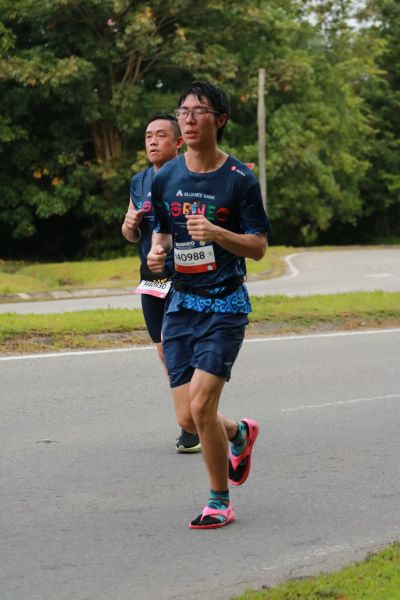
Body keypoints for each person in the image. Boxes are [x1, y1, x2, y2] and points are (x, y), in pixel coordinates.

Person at [147, 82, 270, 529]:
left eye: (199, 111)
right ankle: (239, 431)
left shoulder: (239, 179)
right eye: (183, 112)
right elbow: (163, 233)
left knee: (201, 407)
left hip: (225, 303)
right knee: (189, 416)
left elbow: (258, 246)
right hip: (181, 303)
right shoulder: (166, 177)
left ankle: (220, 500)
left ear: (220, 120)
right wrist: (157, 253)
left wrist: (218, 233)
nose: (189, 119)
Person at [122, 113, 201, 454]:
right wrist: (130, 223)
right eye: (148, 136)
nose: (152, 141)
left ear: (178, 142)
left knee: (180, 348)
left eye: (160, 135)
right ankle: (193, 415)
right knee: (164, 351)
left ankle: (193, 424)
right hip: (151, 280)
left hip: (184, 279)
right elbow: (129, 235)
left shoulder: (190, 177)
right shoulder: (139, 181)